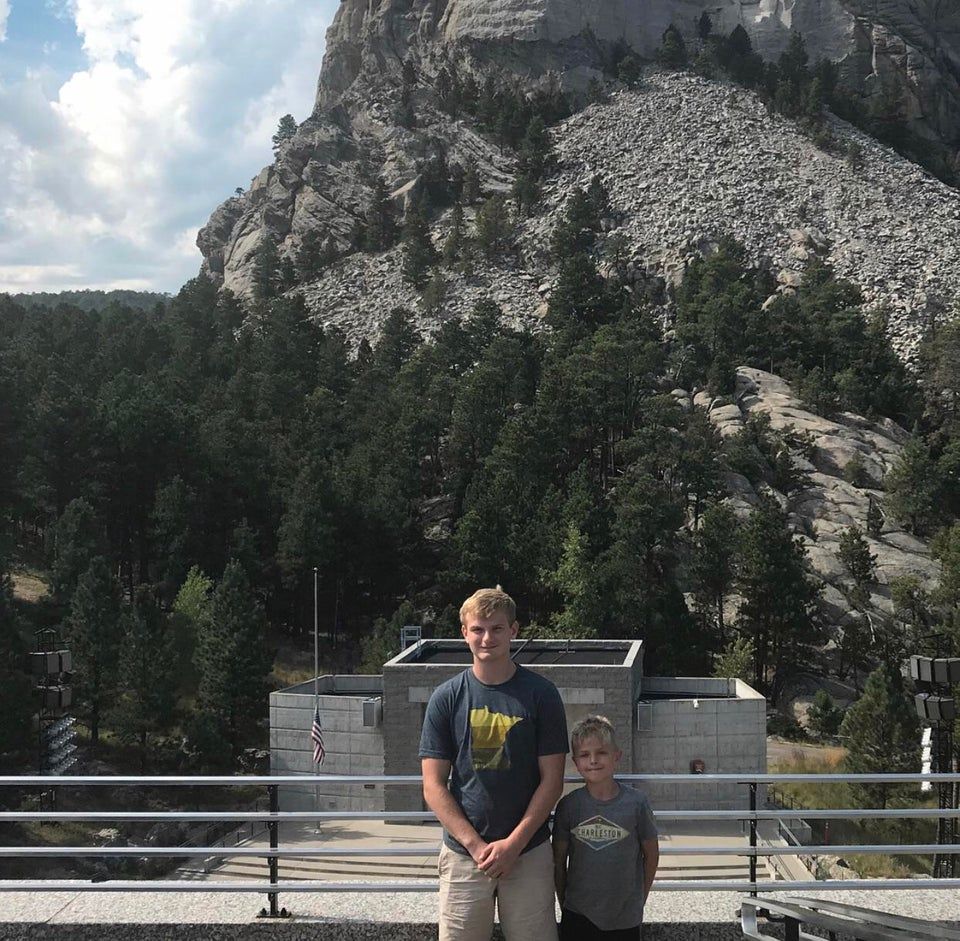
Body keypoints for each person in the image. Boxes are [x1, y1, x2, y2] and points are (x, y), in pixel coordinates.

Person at [419, 586, 568, 941]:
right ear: (464, 633)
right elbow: (433, 785)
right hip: (463, 856)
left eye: (497, 628)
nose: (488, 638)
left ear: (513, 631)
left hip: (528, 853)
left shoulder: (542, 694)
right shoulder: (446, 698)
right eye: (478, 629)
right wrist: (475, 846)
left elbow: (553, 781)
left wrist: (514, 844)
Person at [553, 715, 660, 941]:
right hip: (578, 914)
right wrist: (565, 904)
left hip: (624, 917)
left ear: (616, 757)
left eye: (601, 752)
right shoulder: (568, 806)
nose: (593, 760)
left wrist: (640, 899)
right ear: (575, 762)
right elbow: (559, 862)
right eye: (584, 755)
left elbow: (651, 855)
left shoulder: (637, 803)